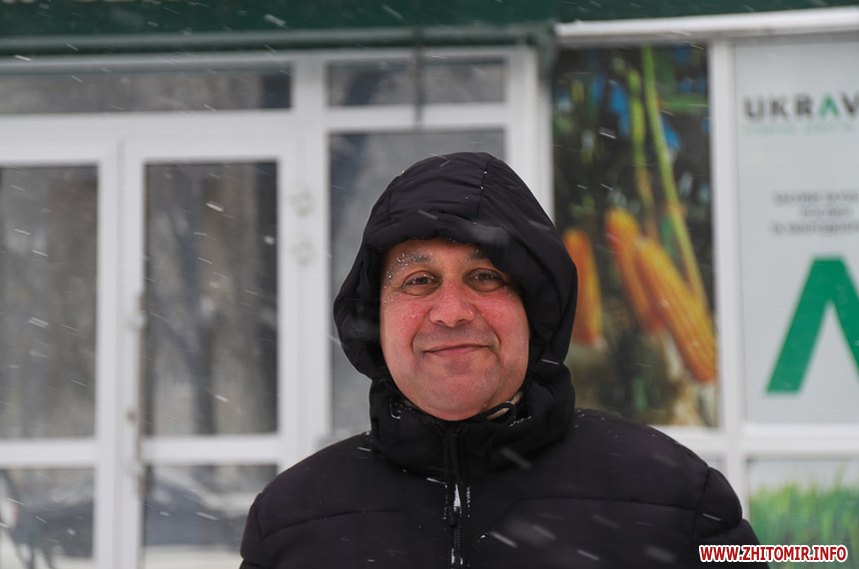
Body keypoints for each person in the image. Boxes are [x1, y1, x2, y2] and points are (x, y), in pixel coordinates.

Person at [239, 152, 765, 568]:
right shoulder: (291, 525)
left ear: (534, 308)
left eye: (485, 277)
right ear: (376, 315)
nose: (451, 312)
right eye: (419, 281)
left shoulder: (678, 504)